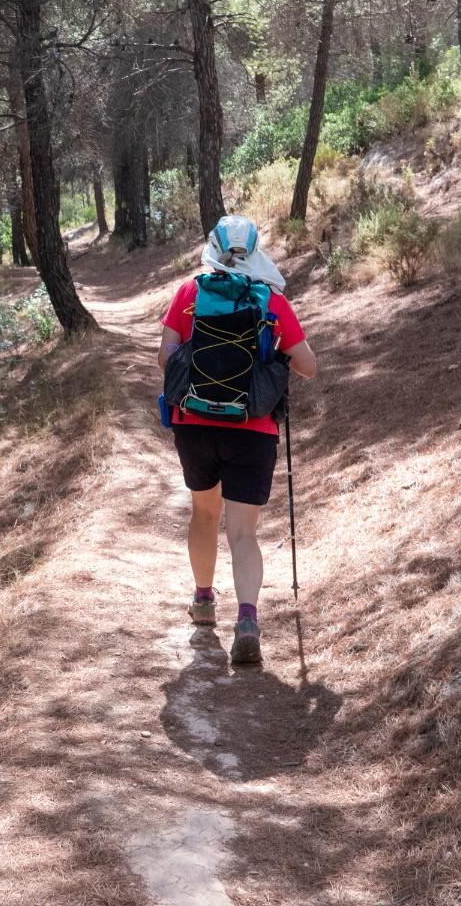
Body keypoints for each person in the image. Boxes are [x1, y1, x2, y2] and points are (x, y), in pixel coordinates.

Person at [157, 215, 317, 665]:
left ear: (212, 246)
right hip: (253, 428)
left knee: (204, 515)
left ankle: (204, 600)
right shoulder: (271, 299)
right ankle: (247, 619)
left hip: (194, 424)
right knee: (243, 533)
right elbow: (309, 366)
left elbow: (164, 357)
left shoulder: (190, 293)